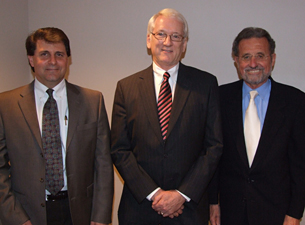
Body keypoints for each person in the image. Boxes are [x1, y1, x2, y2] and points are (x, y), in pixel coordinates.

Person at [111, 8, 223, 225]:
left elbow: (214, 147)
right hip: (139, 208)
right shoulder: (126, 88)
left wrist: (181, 194)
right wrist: (154, 194)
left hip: (189, 211)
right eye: (161, 34)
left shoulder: (206, 84)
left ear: (184, 44)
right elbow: (119, 149)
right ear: (148, 40)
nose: (168, 42)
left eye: (176, 36)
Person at [0, 27, 114, 225]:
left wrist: (100, 217)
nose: (53, 61)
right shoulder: (6, 104)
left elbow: (103, 164)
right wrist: (16, 218)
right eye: (44, 54)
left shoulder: (92, 101)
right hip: (28, 213)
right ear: (31, 59)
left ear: (67, 60)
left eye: (59, 54)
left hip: (79, 212)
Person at [209, 27, 305, 225]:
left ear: (273, 58)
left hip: (278, 214)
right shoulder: (219, 98)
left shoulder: (296, 101)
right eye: (246, 57)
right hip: (230, 212)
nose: (253, 64)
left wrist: (295, 213)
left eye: (260, 56)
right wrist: (212, 202)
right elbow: (213, 156)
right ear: (236, 60)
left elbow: (300, 165)